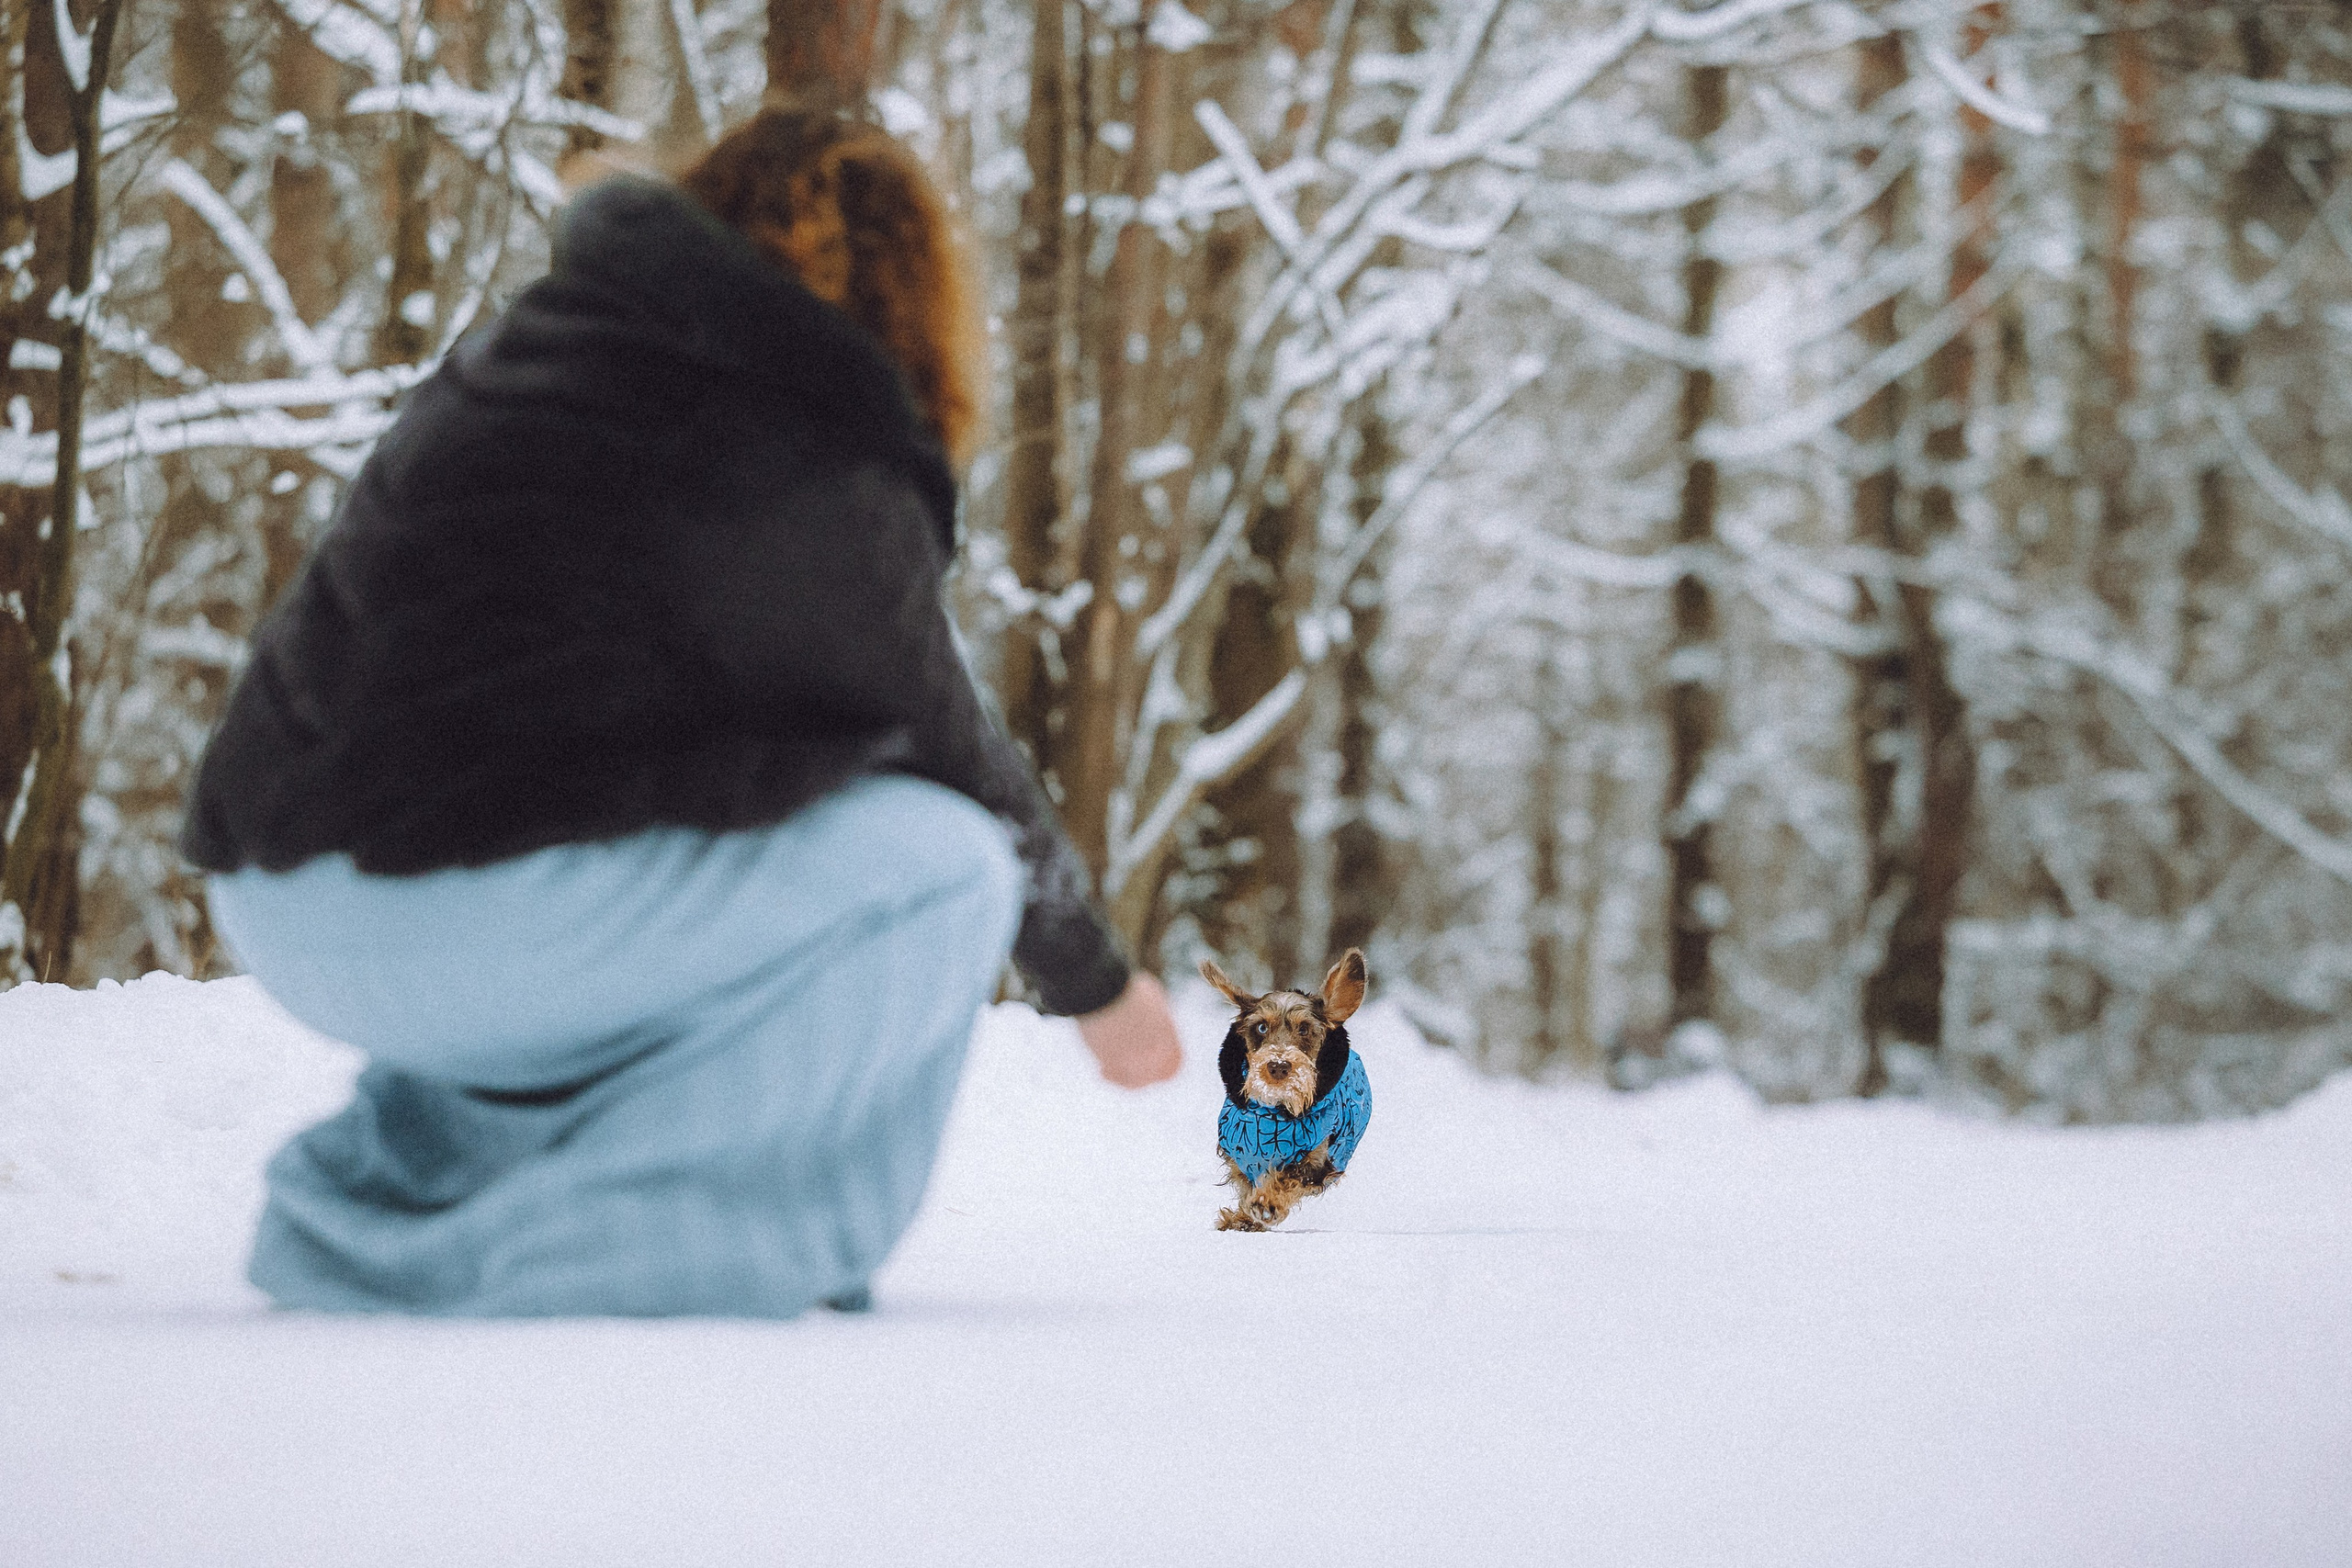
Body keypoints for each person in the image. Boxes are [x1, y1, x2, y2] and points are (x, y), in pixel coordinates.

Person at [182, 107, 1182, 1317]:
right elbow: (938, 729)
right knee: (942, 870)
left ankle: (361, 1220)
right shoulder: (797, 432)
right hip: (434, 919)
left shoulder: (549, 350)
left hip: (286, 892)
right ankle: (626, 1254)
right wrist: (1095, 984)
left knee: (739, 877)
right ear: (907, 291)